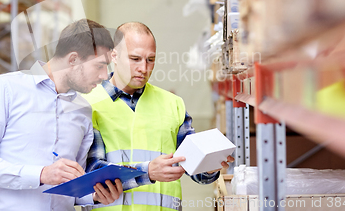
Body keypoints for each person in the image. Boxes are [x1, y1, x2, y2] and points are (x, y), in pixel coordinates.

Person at [0, 19, 123, 211]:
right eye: (100, 66)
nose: (105, 76)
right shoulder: (5, 89)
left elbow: (71, 187)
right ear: (73, 59)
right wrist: (41, 174)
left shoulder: (82, 110)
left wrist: (95, 196)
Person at [83, 22, 233, 210]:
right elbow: (92, 172)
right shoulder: (88, 105)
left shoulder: (173, 104)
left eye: (151, 59)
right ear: (114, 55)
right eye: (135, 59)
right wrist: (148, 172)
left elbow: (194, 169)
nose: (144, 68)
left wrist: (209, 165)